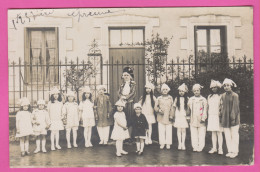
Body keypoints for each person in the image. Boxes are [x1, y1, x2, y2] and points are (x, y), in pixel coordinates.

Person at [220, 78, 240, 158]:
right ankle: (230, 151)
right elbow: (222, 107)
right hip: (225, 118)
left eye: (228, 85)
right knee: (227, 135)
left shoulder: (235, 95)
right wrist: (221, 115)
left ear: (231, 86)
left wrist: (233, 118)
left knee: (234, 135)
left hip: (233, 118)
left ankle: (235, 151)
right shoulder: (223, 95)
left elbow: (235, 108)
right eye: (224, 86)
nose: (226, 87)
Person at [188, 84, 207, 152]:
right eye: (195, 91)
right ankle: (195, 146)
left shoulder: (203, 99)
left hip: (201, 118)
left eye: (197, 90)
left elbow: (204, 110)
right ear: (193, 91)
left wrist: (203, 118)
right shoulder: (191, 99)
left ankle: (200, 146)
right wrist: (189, 118)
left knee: (201, 134)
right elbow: (189, 109)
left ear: (200, 91)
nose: (196, 92)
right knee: (193, 134)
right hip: (193, 119)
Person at [118, 67, 136, 138]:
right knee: (123, 118)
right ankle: (124, 136)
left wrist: (126, 97)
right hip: (122, 103)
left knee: (129, 118)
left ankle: (130, 136)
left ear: (130, 76)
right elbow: (118, 92)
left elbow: (133, 93)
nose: (126, 77)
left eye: (127, 75)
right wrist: (121, 96)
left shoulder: (133, 85)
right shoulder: (122, 85)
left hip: (129, 103)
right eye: (124, 75)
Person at [154, 83, 174, 150]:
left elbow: (172, 108)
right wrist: (159, 110)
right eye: (163, 90)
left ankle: (168, 144)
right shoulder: (159, 98)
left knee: (168, 130)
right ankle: (162, 143)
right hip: (161, 116)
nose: (165, 91)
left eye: (166, 89)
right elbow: (155, 107)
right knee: (161, 130)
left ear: (168, 90)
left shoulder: (170, 98)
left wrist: (171, 115)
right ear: (161, 91)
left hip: (168, 116)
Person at [207, 80, 224, 155]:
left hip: (218, 116)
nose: (214, 89)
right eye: (212, 88)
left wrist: (221, 115)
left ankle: (220, 149)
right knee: (213, 132)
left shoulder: (221, 96)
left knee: (219, 132)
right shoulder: (209, 96)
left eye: (215, 87)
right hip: (211, 116)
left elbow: (222, 106)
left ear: (218, 88)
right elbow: (207, 106)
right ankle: (214, 148)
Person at [172, 83, 189, 150]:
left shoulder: (187, 98)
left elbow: (188, 109)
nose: (181, 92)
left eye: (182, 91)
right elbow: (174, 108)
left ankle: (183, 144)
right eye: (180, 91)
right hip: (178, 116)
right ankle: (179, 143)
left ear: (185, 92)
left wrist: (188, 116)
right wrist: (173, 116)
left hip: (184, 116)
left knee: (183, 130)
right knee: (179, 130)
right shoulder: (176, 99)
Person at [47, 87, 64, 151]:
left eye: (57, 94)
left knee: (57, 132)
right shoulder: (50, 103)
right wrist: (48, 120)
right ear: (52, 95)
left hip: (58, 119)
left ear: (59, 95)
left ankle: (57, 144)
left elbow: (62, 110)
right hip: (52, 119)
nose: (55, 96)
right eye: (54, 94)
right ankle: (52, 145)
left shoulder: (60, 102)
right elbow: (48, 112)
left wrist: (62, 116)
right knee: (52, 132)